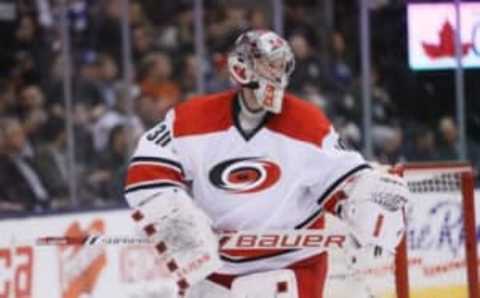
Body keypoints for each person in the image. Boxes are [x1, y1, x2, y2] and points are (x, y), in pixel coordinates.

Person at [124, 30, 409, 298]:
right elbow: (146, 176)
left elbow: (346, 183)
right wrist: (178, 226)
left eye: (280, 66)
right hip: (218, 270)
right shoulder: (191, 119)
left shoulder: (307, 124)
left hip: (293, 263)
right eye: (267, 65)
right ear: (241, 67)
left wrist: (369, 205)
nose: (276, 74)